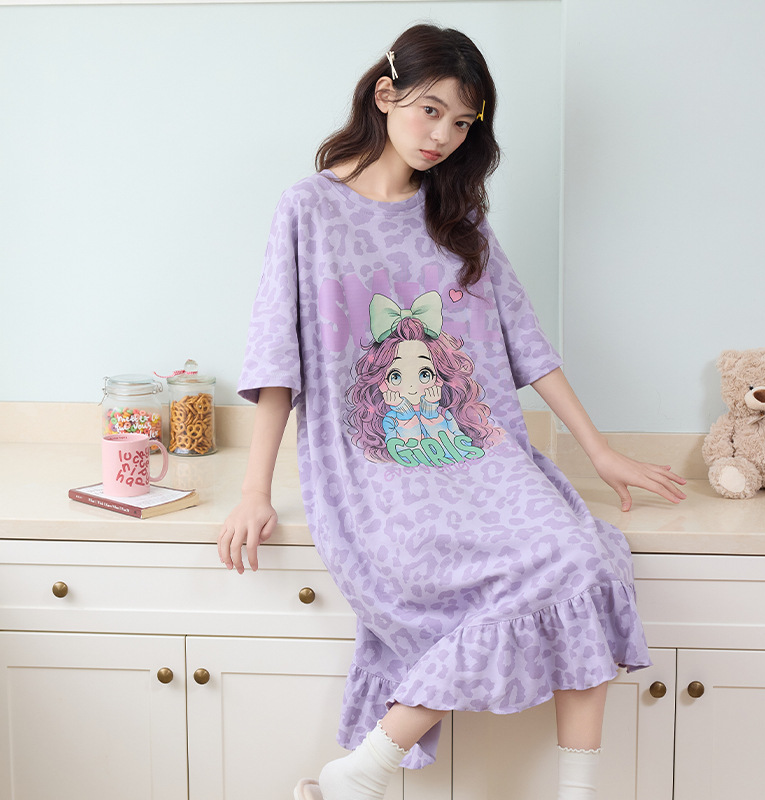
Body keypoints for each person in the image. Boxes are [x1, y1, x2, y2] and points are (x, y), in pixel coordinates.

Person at [217, 23, 687, 800]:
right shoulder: (309, 208)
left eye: (463, 122)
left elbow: (526, 342)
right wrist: (253, 490)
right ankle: (366, 769)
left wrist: (599, 451)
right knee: (554, 570)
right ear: (386, 94)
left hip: (482, 454)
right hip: (373, 469)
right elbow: (278, 360)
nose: (443, 135)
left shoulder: (457, 218)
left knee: (583, 559)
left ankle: (384, 773)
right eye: (431, 110)